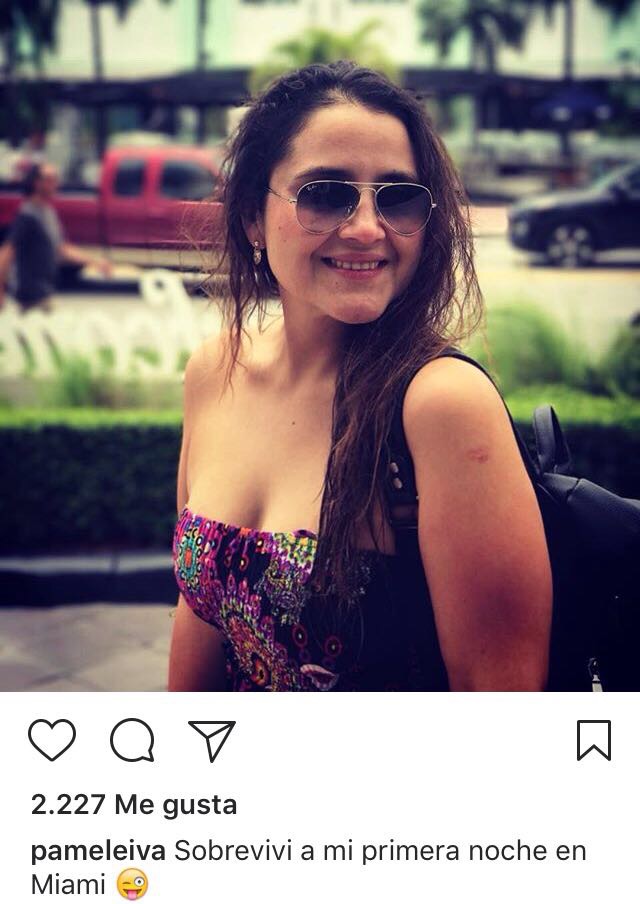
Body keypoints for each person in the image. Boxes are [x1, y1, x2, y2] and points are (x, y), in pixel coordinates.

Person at [168, 61, 552, 692]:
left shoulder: (442, 405)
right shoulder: (216, 371)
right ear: (252, 218)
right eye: (325, 193)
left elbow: (498, 698)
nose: (369, 228)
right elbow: (200, 615)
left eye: (398, 196)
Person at [0, 162, 111, 313]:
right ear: (37, 183)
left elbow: (62, 249)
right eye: (50, 179)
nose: (56, 184)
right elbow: (6, 252)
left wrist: (95, 262)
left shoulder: (48, 212)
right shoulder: (27, 215)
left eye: (56, 179)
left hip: (44, 291)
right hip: (29, 296)